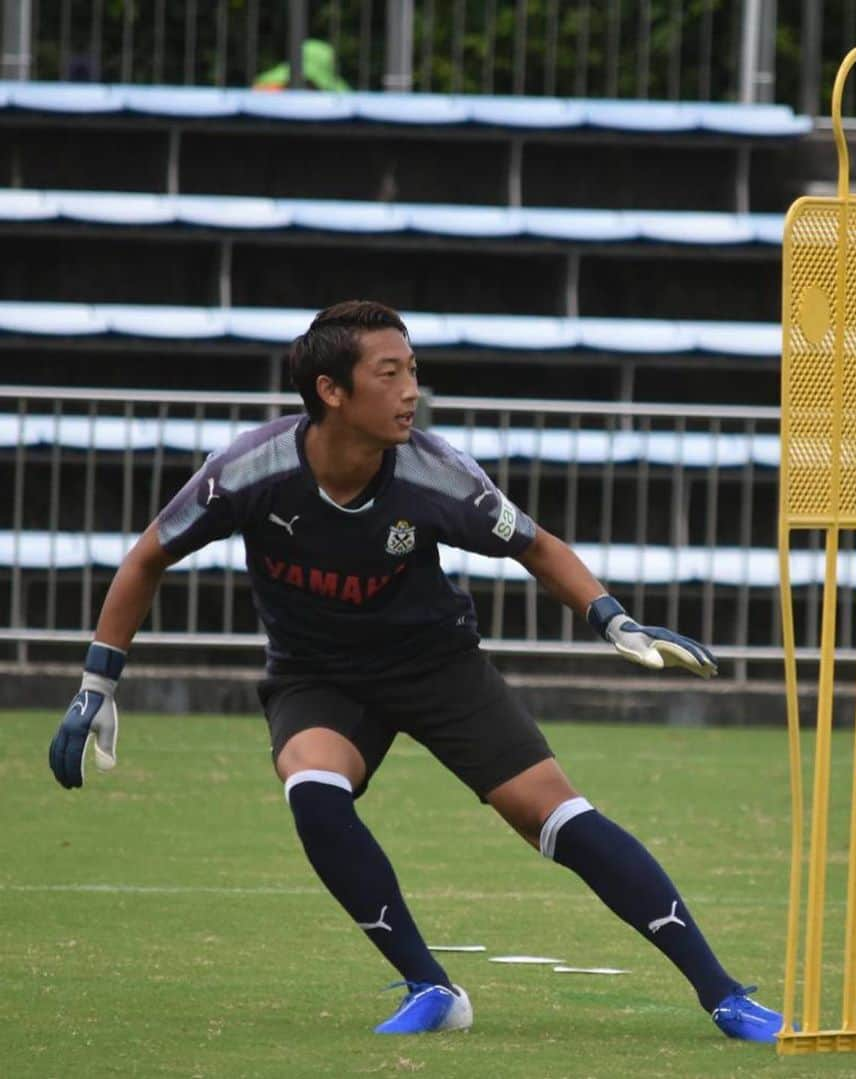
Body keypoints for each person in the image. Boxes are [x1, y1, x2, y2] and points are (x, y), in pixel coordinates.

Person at [48, 300, 789, 1043]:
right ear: (332, 391)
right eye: (390, 372)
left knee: (555, 813)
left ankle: (724, 994)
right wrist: (96, 684)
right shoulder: (249, 471)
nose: (411, 391)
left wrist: (613, 619)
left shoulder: (438, 475)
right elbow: (148, 555)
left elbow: (538, 545)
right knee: (312, 786)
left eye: (414, 371)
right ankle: (430, 985)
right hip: (318, 674)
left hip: (436, 665)